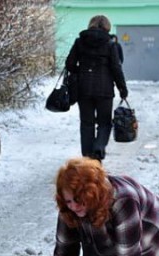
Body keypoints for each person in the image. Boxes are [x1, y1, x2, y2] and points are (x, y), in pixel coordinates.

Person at [65, 15, 128, 161]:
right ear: (107, 27)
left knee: (87, 124)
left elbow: (70, 64)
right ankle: (99, 148)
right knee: (104, 123)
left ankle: (87, 158)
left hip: (83, 89)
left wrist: (79, 73)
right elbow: (116, 68)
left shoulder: (80, 42)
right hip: (104, 90)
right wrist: (122, 89)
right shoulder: (110, 44)